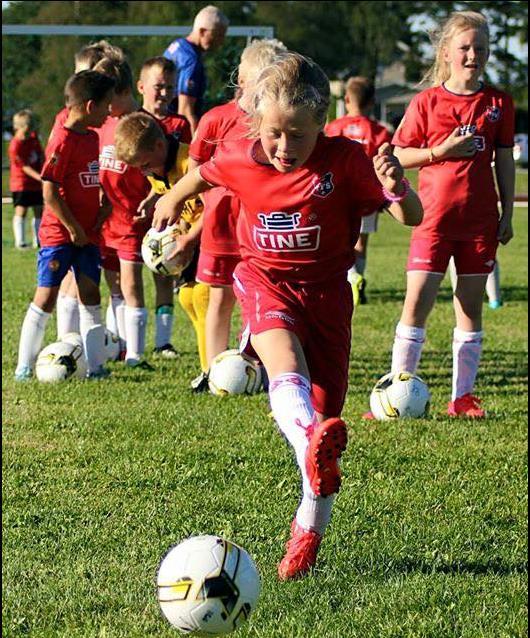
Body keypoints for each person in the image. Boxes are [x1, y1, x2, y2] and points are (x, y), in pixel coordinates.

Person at [152, 52, 422, 579]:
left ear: (322, 123)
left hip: (327, 299)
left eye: (298, 134)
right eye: (274, 133)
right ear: (257, 122)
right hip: (264, 281)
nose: (283, 146)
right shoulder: (241, 155)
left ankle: (307, 530)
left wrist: (396, 187)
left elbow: (411, 217)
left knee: (323, 420)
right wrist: (170, 204)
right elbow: (202, 174)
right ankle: (306, 446)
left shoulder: (345, 161)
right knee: (282, 363)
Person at [374, 10, 515, 419]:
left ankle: (462, 398)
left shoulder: (499, 103)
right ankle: (398, 388)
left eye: (481, 49)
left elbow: (503, 161)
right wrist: (442, 151)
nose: (474, 55)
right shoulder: (427, 102)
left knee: (469, 305)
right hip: (432, 220)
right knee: (417, 302)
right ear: (447, 53)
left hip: (479, 222)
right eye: (465, 48)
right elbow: (400, 155)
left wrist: (506, 212)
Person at [188, 38, 287, 384]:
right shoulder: (216, 119)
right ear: (243, 81)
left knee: (256, 300)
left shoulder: (276, 124)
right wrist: (202, 204)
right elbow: (195, 165)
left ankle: (252, 368)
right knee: (219, 298)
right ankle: (213, 368)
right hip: (219, 225)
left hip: (260, 229)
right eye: (265, 82)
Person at [14, 70, 116, 381]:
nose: (109, 111)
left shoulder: (93, 137)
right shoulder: (62, 139)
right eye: (105, 106)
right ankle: (24, 367)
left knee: (91, 294)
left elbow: (87, 179)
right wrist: (72, 228)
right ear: (89, 107)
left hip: (87, 235)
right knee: (46, 296)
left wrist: (102, 203)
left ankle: (97, 368)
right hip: (61, 235)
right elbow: (49, 192)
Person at [113, 113, 206, 387]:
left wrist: (190, 239)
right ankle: (212, 364)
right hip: (190, 235)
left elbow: (215, 205)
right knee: (188, 297)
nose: (144, 172)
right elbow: (164, 188)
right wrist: (151, 199)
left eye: (144, 165)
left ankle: (214, 367)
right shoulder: (157, 166)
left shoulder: (190, 162)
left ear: (158, 146)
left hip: (215, 234)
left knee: (202, 296)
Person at [50, 40, 126, 341]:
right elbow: (54, 184)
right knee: (71, 281)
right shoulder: (65, 127)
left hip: (96, 215)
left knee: (100, 281)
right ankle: (67, 342)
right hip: (70, 221)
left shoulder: (99, 128)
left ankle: (103, 343)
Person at [325, 77, 392, 305]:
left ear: (346, 99)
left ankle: (351, 278)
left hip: (336, 194)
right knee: (360, 242)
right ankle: (357, 278)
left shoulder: (333, 128)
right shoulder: (380, 132)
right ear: (372, 102)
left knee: (339, 241)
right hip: (366, 194)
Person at [162, 5, 229, 132]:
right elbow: (186, 111)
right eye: (218, 35)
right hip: (174, 130)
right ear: (203, 31)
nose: (221, 41)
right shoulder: (191, 60)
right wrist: (193, 148)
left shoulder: (177, 45)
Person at [8, 110, 44, 249]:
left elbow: (41, 155)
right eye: (27, 129)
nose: (29, 132)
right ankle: (21, 242)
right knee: (21, 211)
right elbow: (24, 167)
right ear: (18, 127)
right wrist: (41, 178)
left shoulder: (34, 139)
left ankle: (39, 241)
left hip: (36, 184)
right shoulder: (15, 145)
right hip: (21, 184)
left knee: (39, 210)